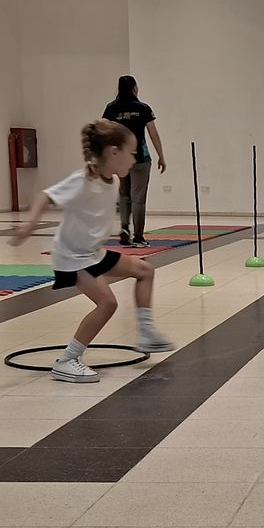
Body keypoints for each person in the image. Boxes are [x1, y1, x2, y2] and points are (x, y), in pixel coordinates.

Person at [10, 120, 175, 382]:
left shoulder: (113, 180)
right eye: (132, 153)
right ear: (113, 152)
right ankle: (68, 360)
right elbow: (45, 196)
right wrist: (29, 225)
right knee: (107, 303)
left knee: (145, 270)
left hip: (93, 253)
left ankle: (146, 332)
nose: (135, 160)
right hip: (72, 257)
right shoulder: (82, 180)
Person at [101, 75, 166, 248]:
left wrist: (105, 157)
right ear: (134, 88)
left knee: (124, 194)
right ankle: (138, 236)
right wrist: (161, 155)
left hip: (119, 160)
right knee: (139, 198)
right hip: (140, 159)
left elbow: (103, 132)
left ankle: (124, 228)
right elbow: (153, 134)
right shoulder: (143, 108)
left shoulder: (111, 108)